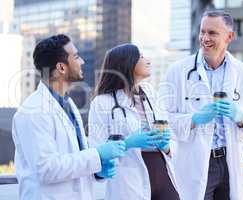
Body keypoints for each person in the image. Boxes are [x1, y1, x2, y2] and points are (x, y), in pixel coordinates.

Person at [159, 11, 243, 200]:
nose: (205, 38)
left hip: (228, 162)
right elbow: (161, 118)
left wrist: (241, 118)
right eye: (202, 32)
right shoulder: (178, 71)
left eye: (212, 33)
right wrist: (193, 119)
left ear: (229, 36)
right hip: (196, 161)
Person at [12, 34, 126, 200]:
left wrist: (96, 171)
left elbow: (74, 156)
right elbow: (47, 169)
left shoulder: (68, 104)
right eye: (76, 57)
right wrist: (97, 154)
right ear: (61, 67)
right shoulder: (32, 111)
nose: (82, 62)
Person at [88, 43, 180, 200]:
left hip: (162, 172)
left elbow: (172, 136)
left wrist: (166, 147)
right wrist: (128, 143)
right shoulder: (102, 103)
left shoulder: (151, 94)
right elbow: (97, 151)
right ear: (128, 63)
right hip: (129, 181)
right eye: (141, 56)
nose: (148, 59)